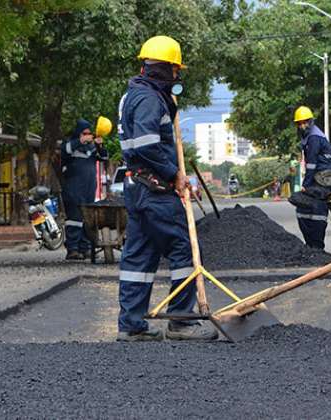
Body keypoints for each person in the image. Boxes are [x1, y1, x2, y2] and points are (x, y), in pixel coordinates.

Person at [116, 35, 217, 341]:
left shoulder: (132, 95)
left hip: (137, 186)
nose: (177, 76)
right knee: (182, 246)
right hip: (154, 188)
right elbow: (147, 146)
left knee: (139, 256)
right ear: (164, 69)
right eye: (175, 70)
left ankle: (132, 325)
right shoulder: (149, 99)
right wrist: (174, 174)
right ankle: (182, 321)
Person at [60, 118, 109, 260]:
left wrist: (100, 145)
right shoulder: (69, 144)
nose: (88, 135)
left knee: (87, 218)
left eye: (89, 133)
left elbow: (104, 158)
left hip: (89, 188)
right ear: (78, 133)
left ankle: (85, 248)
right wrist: (80, 141)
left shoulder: (91, 147)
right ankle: (73, 249)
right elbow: (66, 151)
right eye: (85, 133)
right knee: (74, 218)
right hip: (73, 188)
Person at [293, 106, 331, 250]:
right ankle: (311, 244)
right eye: (300, 123)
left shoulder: (314, 138)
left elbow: (311, 164)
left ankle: (316, 245)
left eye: (305, 122)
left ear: (310, 122)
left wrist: (305, 184)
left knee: (316, 209)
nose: (302, 126)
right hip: (319, 179)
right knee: (302, 208)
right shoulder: (310, 137)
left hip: (322, 181)